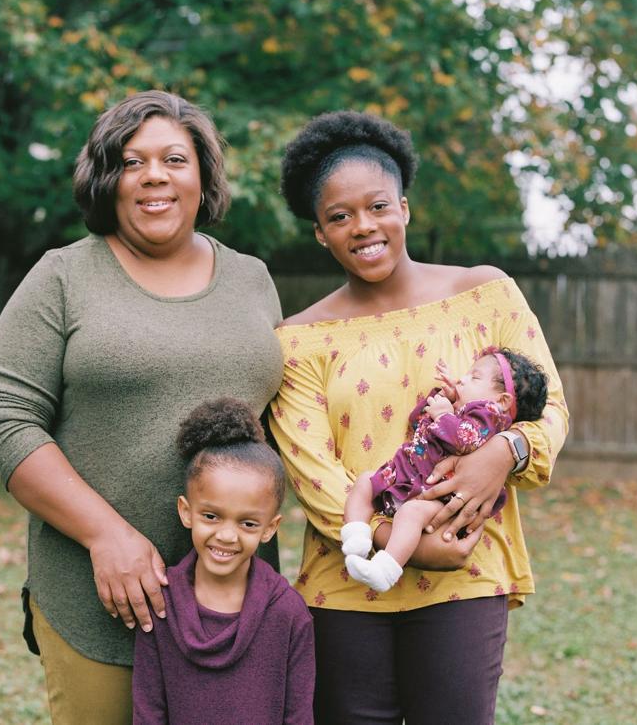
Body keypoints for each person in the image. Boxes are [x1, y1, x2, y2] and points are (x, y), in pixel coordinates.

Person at [0, 91, 285, 724]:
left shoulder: (252, 279)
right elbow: (2, 417)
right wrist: (105, 535)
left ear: (203, 176)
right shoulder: (62, 277)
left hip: (233, 603)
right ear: (106, 180)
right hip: (99, 602)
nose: (154, 176)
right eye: (131, 162)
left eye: (175, 159)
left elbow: (286, 418)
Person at [268, 110, 569, 724]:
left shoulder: (484, 294)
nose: (363, 226)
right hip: (346, 580)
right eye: (339, 216)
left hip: (465, 568)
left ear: (404, 207)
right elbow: (312, 473)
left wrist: (503, 453)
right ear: (320, 233)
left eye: (378, 206)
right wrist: (399, 543)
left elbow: (550, 409)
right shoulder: (298, 340)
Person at [132, 398, 315, 725]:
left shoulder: (288, 612)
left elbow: (298, 716)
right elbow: (148, 712)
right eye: (211, 516)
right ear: (186, 512)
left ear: (270, 528)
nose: (227, 535)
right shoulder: (160, 604)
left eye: (248, 523)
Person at [342, 348, 549, 592]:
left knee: (410, 513)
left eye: (474, 377)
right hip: (409, 478)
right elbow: (417, 420)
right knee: (366, 481)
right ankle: (356, 539)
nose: (462, 379)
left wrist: (444, 414)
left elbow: (464, 440)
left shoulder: (490, 417)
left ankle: (386, 569)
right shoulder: (459, 410)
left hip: (441, 496)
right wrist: (443, 399)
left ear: (502, 401)